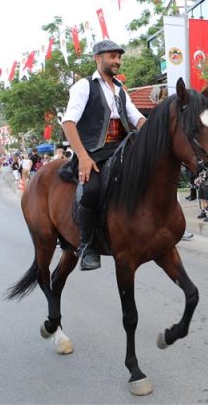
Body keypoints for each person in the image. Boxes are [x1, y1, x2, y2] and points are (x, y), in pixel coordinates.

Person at [61, 39, 146, 271]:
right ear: (98, 58)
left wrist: (153, 130)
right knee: (90, 190)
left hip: (122, 150)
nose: (117, 61)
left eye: (119, 57)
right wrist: (83, 156)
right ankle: (87, 245)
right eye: (112, 56)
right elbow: (68, 123)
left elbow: (137, 119)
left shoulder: (120, 89)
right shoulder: (84, 86)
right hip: (93, 153)